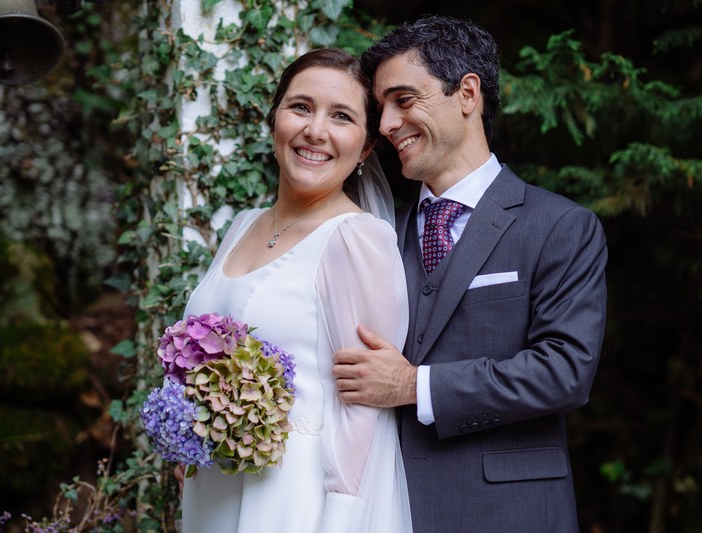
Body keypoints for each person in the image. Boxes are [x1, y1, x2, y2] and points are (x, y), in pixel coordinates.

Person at [332, 15, 608, 533]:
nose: (386, 124)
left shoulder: (560, 226)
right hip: (387, 510)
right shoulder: (374, 234)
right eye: (381, 108)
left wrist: (414, 385)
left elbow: (564, 371)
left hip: (512, 514)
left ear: (467, 93)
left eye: (403, 100)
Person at [178, 48, 412, 533]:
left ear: (366, 147)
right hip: (215, 483)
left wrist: (343, 516)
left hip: (297, 495)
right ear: (274, 120)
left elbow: (362, 405)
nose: (315, 131)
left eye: (342, 116)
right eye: (301, 107)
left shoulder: (357, 238)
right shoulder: (242, 226)